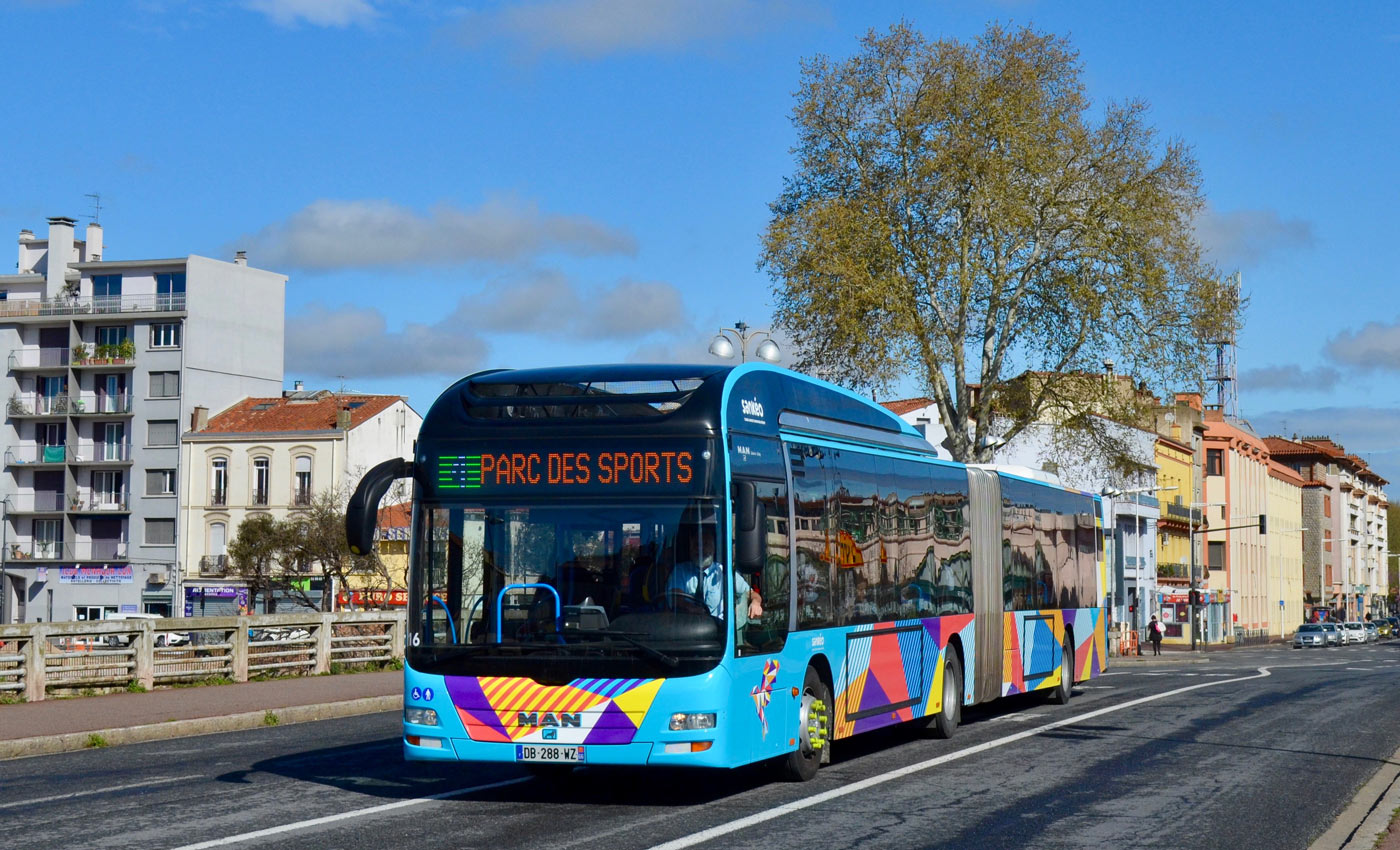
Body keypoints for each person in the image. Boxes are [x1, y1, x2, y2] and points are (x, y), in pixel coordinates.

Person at [665, 522, 762, 627]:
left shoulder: (725, 573)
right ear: (690, 547)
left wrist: (756, 603)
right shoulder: (680, 571)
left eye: (706, 544)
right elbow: (676, 599)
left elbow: (752, 594)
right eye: (697, 544)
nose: (701, 549)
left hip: (719, 633)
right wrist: (691, 608)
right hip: (686, 630)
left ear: (714, 547)